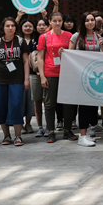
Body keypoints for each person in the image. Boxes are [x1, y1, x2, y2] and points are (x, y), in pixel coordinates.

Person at [0, 17, 31, 146]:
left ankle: (18, 136)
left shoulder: (21, 42)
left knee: (16, 105)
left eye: (12, 26)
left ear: (16, 28)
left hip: (17, 79)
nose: (10, 28)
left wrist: (26, 79)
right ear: (3, 28)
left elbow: (26, 61)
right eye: (7, 26)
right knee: (1, 106)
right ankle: (6, 135)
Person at [68, 12, 103, 147]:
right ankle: (82, 136)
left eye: (92, 20)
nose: (90, 22)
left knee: (92, 106)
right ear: (83, 23)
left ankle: (88, 131)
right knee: (83, 106)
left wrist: (102, 46)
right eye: (87, 20)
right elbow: (70, 55)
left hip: (95, 77)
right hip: (81, 77)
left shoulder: (98, 37)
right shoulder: (76, 37)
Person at [37, 12, 72, 143]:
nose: (57, 23)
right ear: (50, 22)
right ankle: (51, 131)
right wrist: (42, 76)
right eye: (55, 21)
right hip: (50, 73)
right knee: (50, 104)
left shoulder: (69, 35)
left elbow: (73, 53)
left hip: (66, 74)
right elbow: (40, 57)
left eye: (60, 21)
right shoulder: (44, 37)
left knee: (68, 104)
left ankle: (67, 130)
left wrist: (66, 52)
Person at [29, 17, 49, 137]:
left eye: (44, 24)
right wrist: (36, 71)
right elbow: (30, 57)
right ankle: (40, 127)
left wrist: (43, 73)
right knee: (37, 101)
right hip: (34, 75)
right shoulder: (32, 40)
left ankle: (49, 127)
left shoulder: (50, 38)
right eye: (39, 25)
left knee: (47, 102)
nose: (41, 27)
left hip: (48, 74)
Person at [19, 18, 37, 133]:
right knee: (20, 100)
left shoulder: (36, 39)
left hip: (33, 73)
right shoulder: (17, 40)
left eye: (30, 26)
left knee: (30, 100)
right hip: (18, 74)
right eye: (25, 26)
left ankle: (28, 124)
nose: (28, 28)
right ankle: (20, 124)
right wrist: (18, 16)